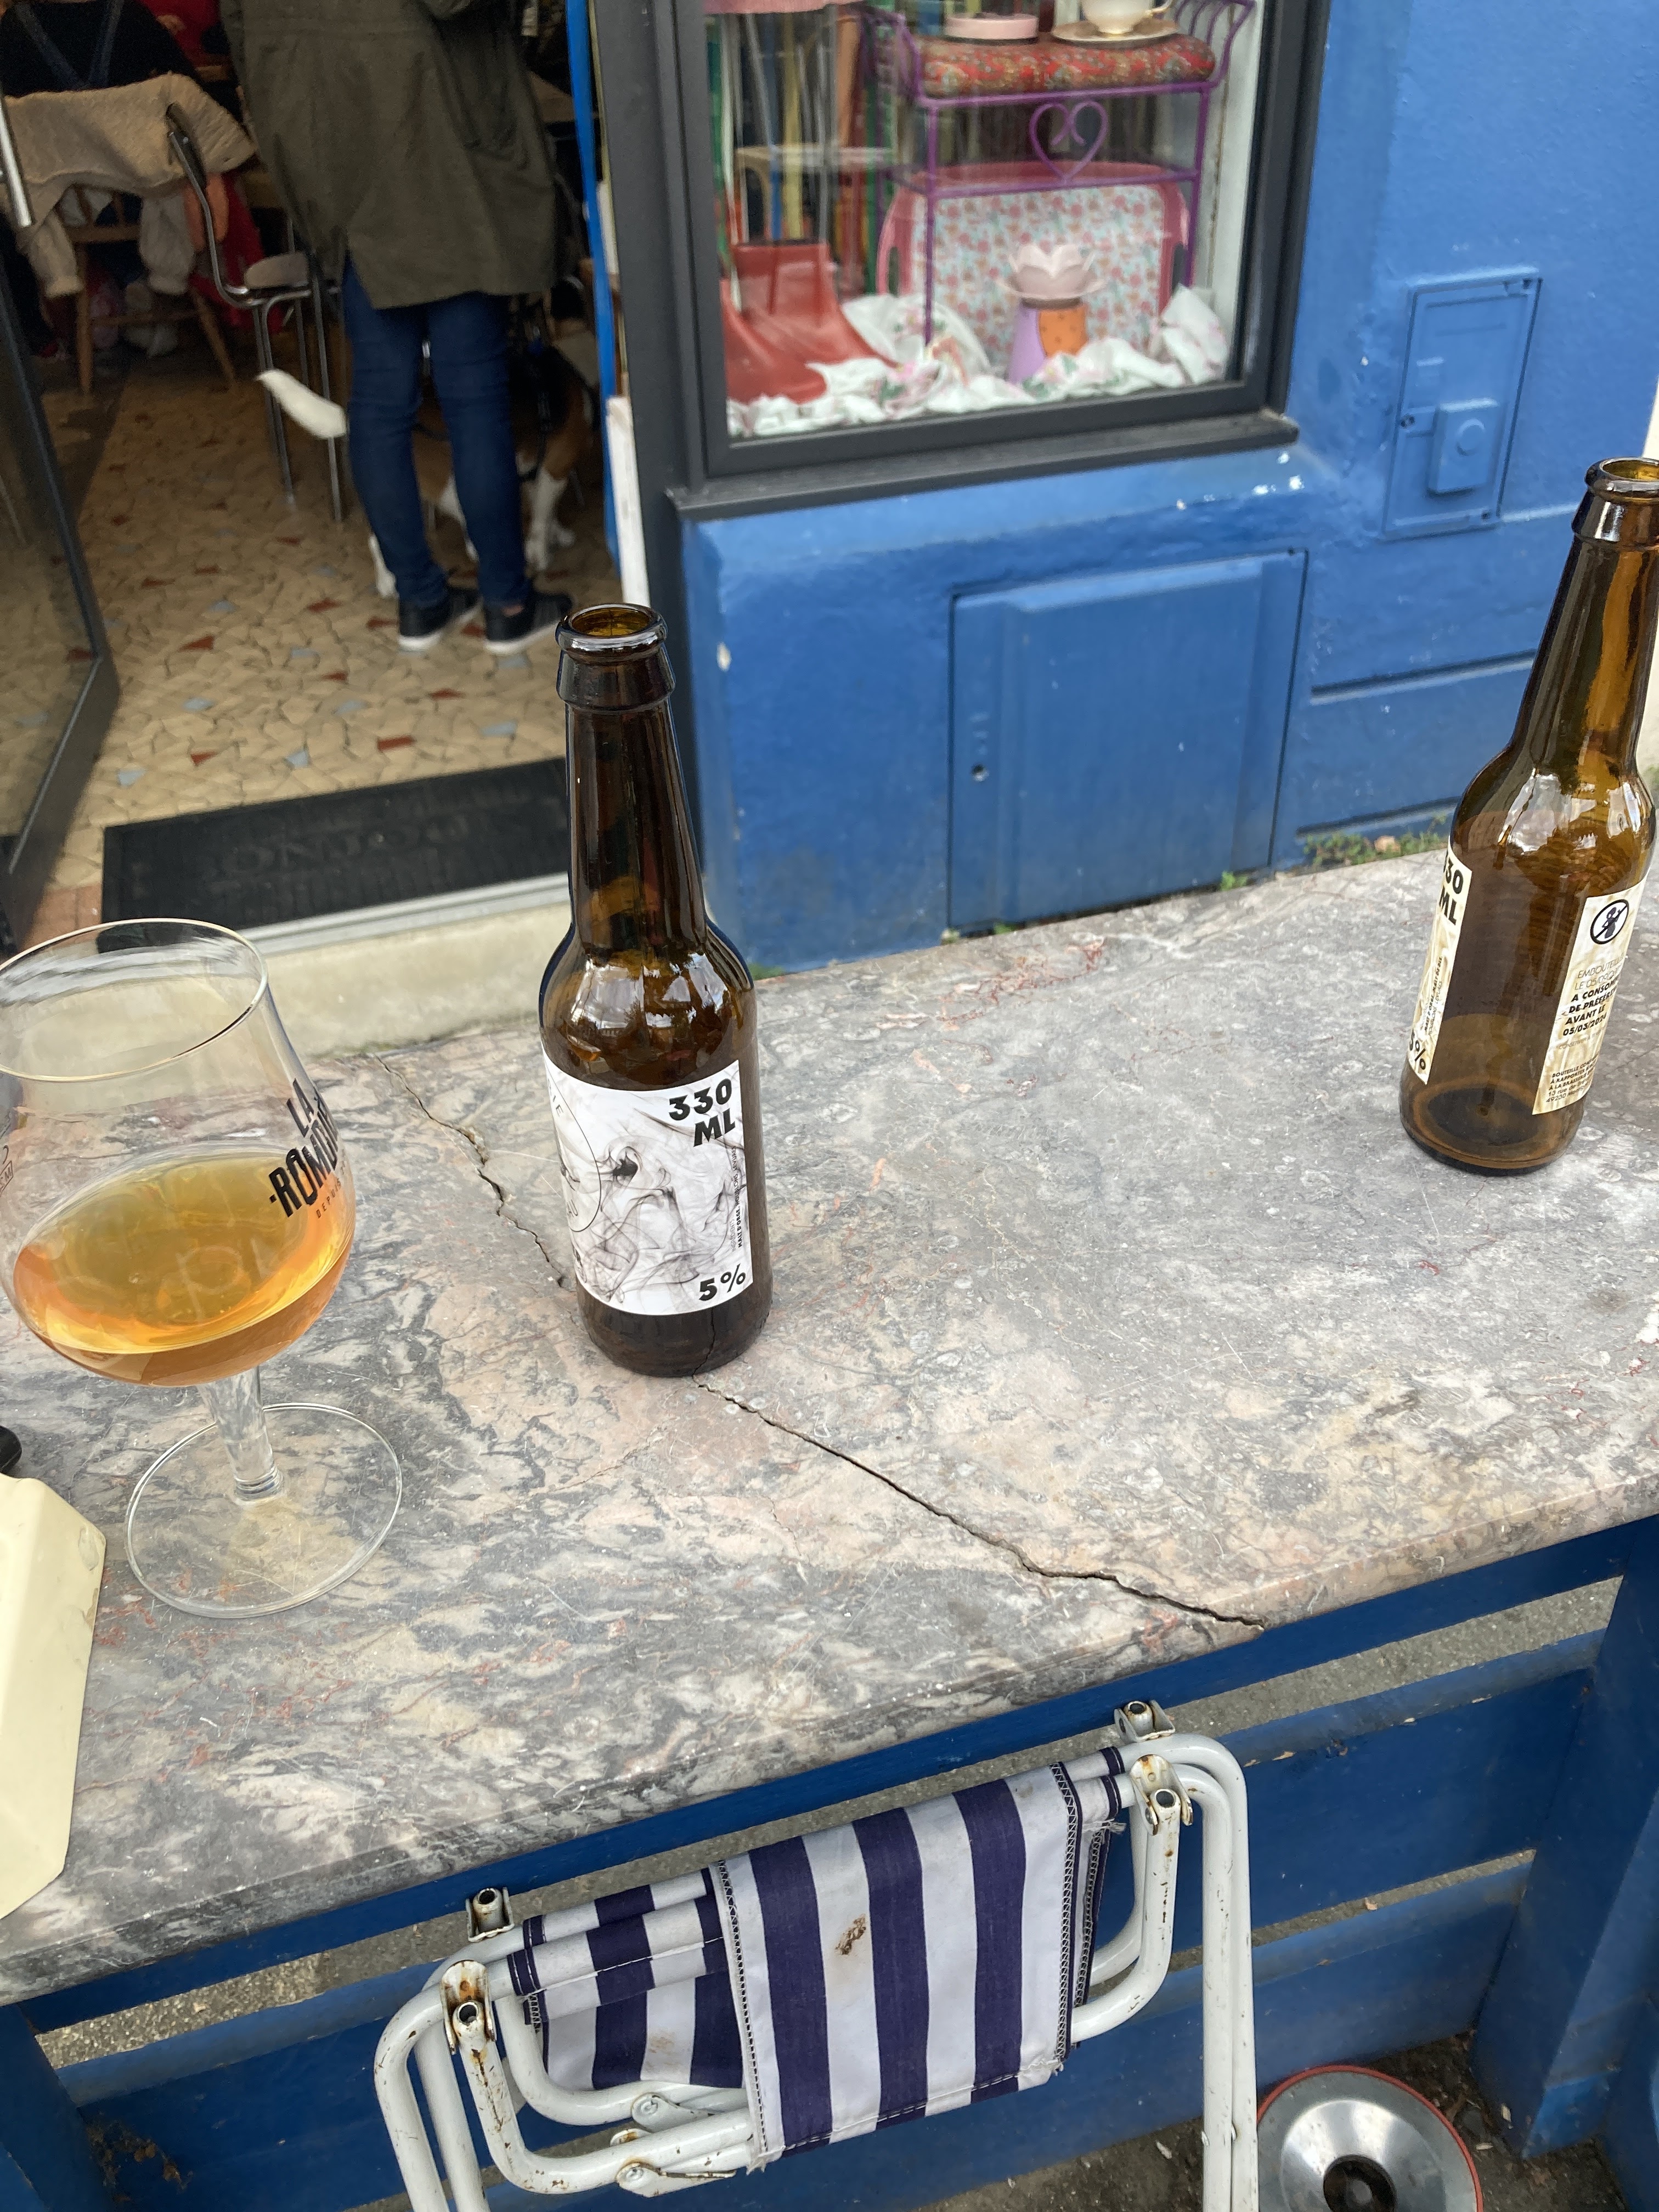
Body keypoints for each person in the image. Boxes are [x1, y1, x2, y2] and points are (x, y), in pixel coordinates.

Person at [221, 0, 572, 656]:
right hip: (442, 163)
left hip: (340, 174)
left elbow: (249, 50)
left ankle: (419, 601)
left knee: (379, 403)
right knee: (475, 396)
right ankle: (508, 603)